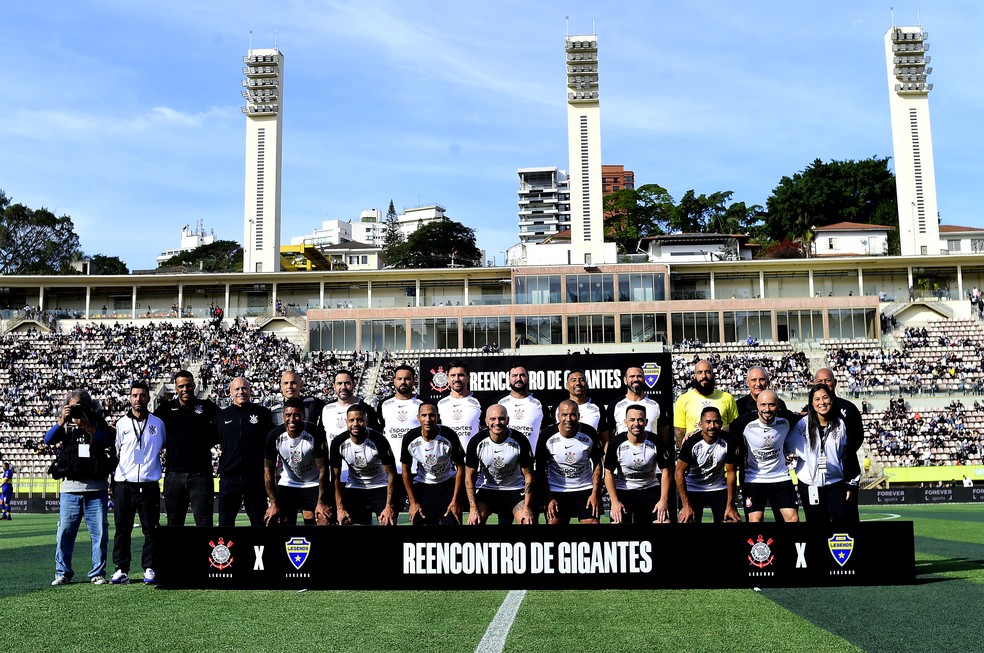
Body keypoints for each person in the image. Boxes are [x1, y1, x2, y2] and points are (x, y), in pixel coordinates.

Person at [44, 390, 116, 585]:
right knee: (65, 532)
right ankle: (62, 572)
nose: (76, 410)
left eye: (79, 406)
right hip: (70, 488)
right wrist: (62, 419)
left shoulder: (97, 423)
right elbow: (48, 440)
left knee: (99, 533)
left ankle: (97, 573)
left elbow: (109, 441)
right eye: (72, 406)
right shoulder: (65, 427)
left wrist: (89, 426)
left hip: (96, 488)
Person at [110, 380, 166, 585]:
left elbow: (163, 447)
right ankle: (121, 569)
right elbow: (116, 452)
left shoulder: (158, 424)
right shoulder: (121, 424)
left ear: (148, 398)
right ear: (129, 398)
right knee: (122, 529)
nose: (138, 399)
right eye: (135, 395)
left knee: (151, 529)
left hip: (149, 485)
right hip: (125, 484)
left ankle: (150, 567)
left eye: (142, 395)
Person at [154, 370, 218, 527]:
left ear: (194, 386)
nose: (185, 389)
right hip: (174, 476)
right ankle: (175, 553)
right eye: (181, 386)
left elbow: (225, 426)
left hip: (201, 475)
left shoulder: (207, 407)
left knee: (204, 524)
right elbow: (148, 428)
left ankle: (204, 553)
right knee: (174, 525)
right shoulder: (165, 409)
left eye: (188, 385)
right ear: (176, 388)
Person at [725, 390, 800, 523]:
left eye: (771, 405)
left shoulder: (786, 419)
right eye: (763, 405)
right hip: (755, 478)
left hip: (780, 476)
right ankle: (758, 545)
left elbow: (804, 417)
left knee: (793, 518)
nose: (767, 409)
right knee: (755, 519)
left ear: (777, 405)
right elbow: (723, 429)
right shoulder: (745, 422)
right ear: (757, 405)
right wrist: (696, 434)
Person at [786, 384, 855, 523]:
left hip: (835, 482)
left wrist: (849, 483)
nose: (822, 402)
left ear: (831, 399)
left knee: (839, 524)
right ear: (812, 403)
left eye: (825, 398)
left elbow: (846, 454)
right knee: (815, 525)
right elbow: (788, 446)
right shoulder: (803, 425)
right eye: (817, 399)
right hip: (809, 484)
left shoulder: (840, 424)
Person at [262, 397, 332, 526]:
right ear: (283, 416)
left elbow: (323, 469)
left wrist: (321, 502)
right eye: (288, 415)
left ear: (303, 415)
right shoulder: (274, 436)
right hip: (289, 482)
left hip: (313, 483)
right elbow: (268, 470)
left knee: (324, 518)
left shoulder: (315, 433)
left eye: (296, 415)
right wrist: (273, 503)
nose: (292, 419)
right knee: (273, 518)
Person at [215, 377, 273, 527]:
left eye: (244, 388)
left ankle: (260, 550)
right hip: (229, 477)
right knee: (225, 523)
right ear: (230, 392)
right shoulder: (222, 416)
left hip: (254, 478)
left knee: (259, 522)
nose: (241, 392)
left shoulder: (262, 413)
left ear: (250, 390)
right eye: (237, 389)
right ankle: (227, 551)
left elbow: (273, 441)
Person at [464, 404, 535, 525]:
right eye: (493, 419)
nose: (497, 422)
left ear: (508, 420)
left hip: (514, 489)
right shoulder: (476, 442)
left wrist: (527, 507)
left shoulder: (520, 440)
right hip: (487, 489)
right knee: (474, 522)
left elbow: (528, 476)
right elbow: (469, 477)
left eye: (501, 418)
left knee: (527, 521)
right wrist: (472, 508)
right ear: (486, 421)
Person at [536, 400, 604, 524]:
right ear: (558, 416)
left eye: (573, 414)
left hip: (584, 488)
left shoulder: (589, 433)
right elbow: (540, 469)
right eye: (564, 415)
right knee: (553, 523)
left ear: (578, 416)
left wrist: (595, 493)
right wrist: (548, 497)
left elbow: (598, 464)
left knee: (593, 522)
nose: (569, 419)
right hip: (556, 490)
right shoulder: (547, 435)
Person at [604, 404, 672, 524]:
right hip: (624, 490)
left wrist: (663, 500)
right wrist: (614, 502)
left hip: (650, 488)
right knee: (616, 524)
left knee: (664, 522)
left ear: (646, 422)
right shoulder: (616, 442)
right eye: (632, 420)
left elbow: (666, 470)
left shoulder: (655, 440)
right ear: (625, 422)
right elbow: (608, 472)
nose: (636, 423)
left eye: (640, 420)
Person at [330, 405, 398, 525]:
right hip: (355, 487)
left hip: (379, 486)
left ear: (366, 421)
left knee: (387, 521)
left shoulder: (379, 441)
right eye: (351, 420)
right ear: (346, 422)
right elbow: (335, 477)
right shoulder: (338, 443)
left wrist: (389, 506)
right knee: (344, 520)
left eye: (360, 420)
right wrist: (340, 509)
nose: (355, 424)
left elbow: (392, 474)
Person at [813, 368, 864, 520]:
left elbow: (858, 437)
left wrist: (839, 455)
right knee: (820, 517)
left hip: (846, 472)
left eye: (827, 380)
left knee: (848, 515)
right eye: (819, 381)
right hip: (819, 475)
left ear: (834, 383)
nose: (824, 384)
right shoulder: (809, 409)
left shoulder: (848, 408)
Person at [400, 403, 465, 525]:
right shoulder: (410, 438)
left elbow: (461, 467)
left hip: (447, 484)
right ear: (418, 417)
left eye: (432, 415)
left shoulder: (449, 435)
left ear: (438, 417)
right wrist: (413, 503)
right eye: (424, 415)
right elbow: (405, 470)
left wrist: (456, 499)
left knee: (453, 522)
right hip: (423, 485)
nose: (428, 420)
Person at [676, 407, 740, 523]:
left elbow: (731, 473)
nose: (712, 426)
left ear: (721, 424)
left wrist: (730, 505)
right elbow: (679, 473)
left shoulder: (728, 442)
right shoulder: (691, 443)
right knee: (687, 520)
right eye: (708, 422)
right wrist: (686, 506)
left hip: (718, 487)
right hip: (693, 488)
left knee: (731, 520)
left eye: (716, 422)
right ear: (700, 424)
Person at [378, 363, 422, 516]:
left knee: (419, 514)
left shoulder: (422, 404)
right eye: (400, 379)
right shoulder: (384, 405)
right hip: (392, 470)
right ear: (394, 381)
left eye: (407, 379)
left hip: (417, 470)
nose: (403, 382)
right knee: (390, 515)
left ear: (413, 381)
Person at [674, 359, 739, 446]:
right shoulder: (683, 399)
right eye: (700, 372)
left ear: (713, 375)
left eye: (707, 372)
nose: (704, 376)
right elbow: (679, 432)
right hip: (694, 455)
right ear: (694, 376)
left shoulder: (727, 398)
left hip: (722, 453)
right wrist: (686, 453)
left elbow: (734, 428)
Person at [604, 366, 662, 445]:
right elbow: (610, 434)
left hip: (651, 454)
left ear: (644, 379)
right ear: (625, 380)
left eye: (639, 376)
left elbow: (664, 433)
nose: (636, 379)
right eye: (632, 376)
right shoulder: (614, 405)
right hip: (623, 455)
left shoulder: (656, 404)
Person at [497, 362, 545, 451]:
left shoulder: (539, 403)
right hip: (507, 459)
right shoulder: (499, 403)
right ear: (509, 378)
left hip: (532, 460)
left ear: (528, 377)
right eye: (514, 375)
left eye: (522, 375)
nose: (518, 379)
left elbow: (546, 430)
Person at [437, 360, 483, 451]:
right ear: (447, 378)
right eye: (453, 375)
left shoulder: (480, 401)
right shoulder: (440, 404)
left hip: (473, 460)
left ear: (468, 377)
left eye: (461, 375)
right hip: (448, 461)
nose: (457, 379)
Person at [555, 369, 604, 433]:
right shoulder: (557, 407)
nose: (578, 383)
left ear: (586, 385)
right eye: (573, 380)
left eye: (581, 380)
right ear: (567, 386)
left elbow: (605, 440)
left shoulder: (598, 407)